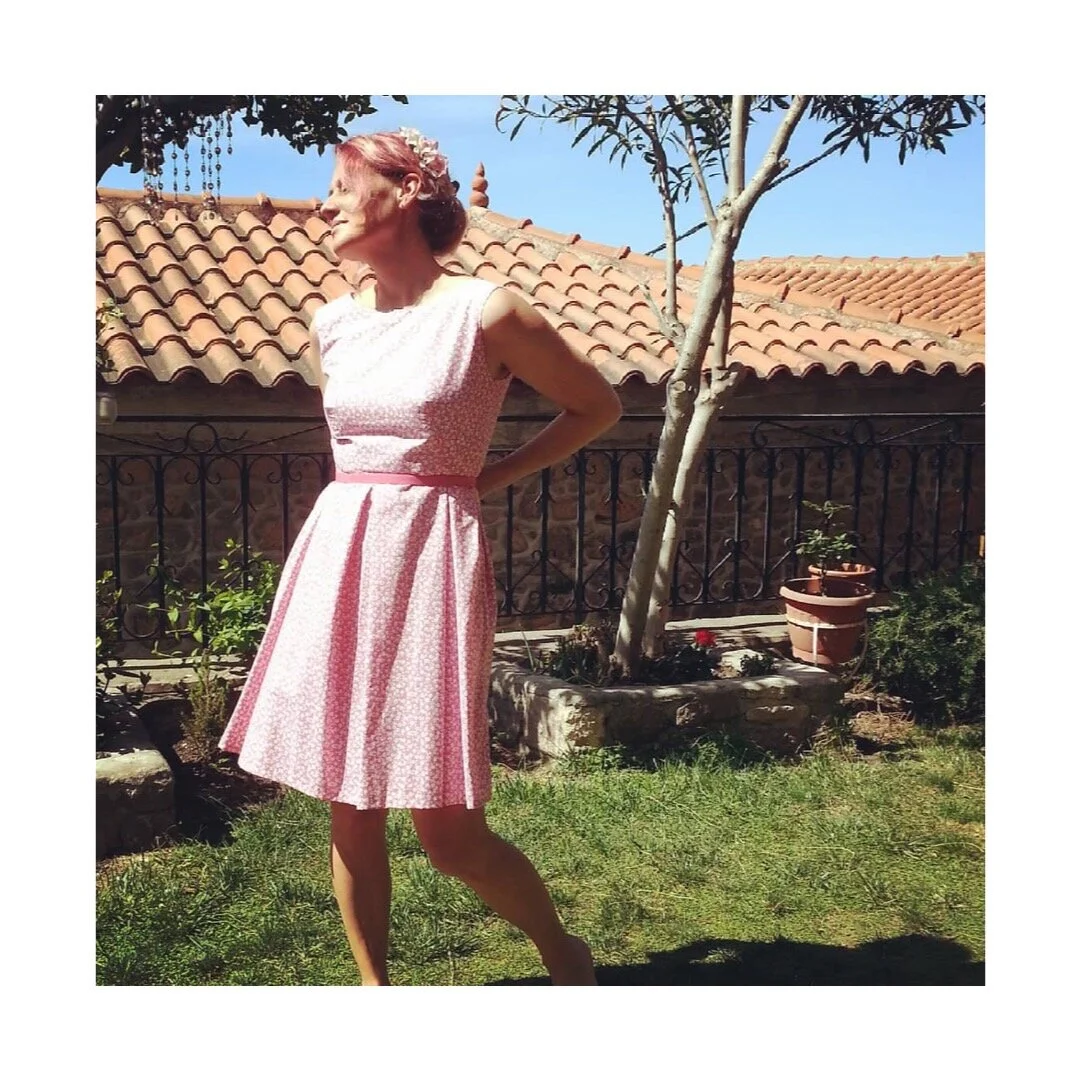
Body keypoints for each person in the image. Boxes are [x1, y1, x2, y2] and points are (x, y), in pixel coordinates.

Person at [218, 128, 623, 986]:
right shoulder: (331, 324)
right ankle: (377, 994)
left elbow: (596, 406)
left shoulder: (486, 312)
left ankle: (565, 954)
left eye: (342, 184)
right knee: (351, 804)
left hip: (433, 558)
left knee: (449, 833)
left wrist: (489, 475)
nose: (324, 203)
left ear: (405, 191)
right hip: (341, 555)